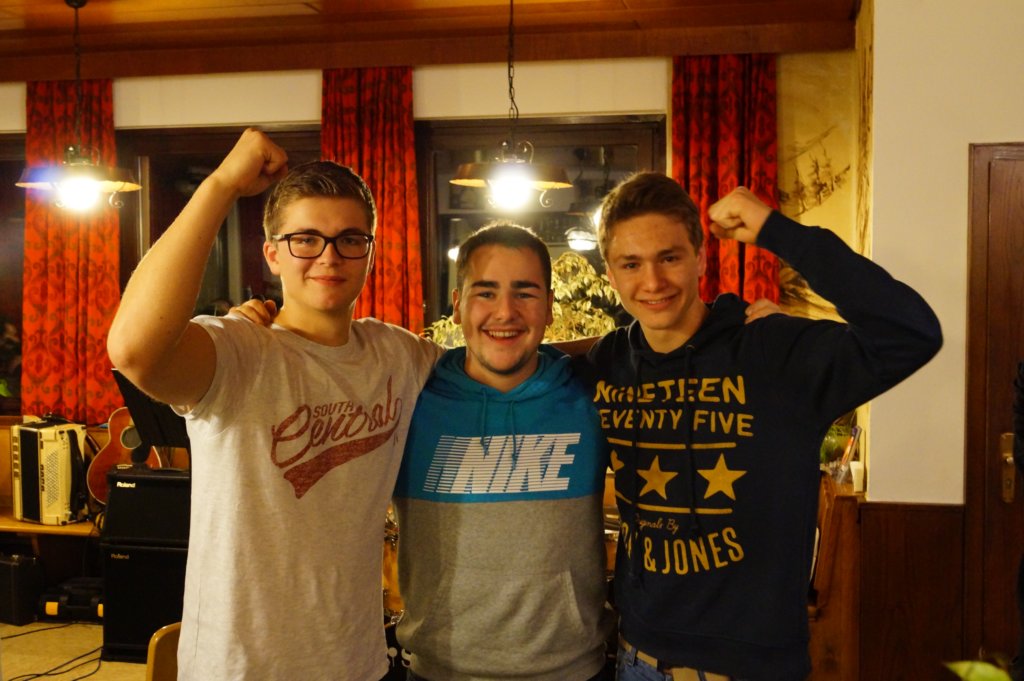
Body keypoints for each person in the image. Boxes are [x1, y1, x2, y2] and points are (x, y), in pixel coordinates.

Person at [106, 128, 444, 680]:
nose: (328, 257)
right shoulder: (240, 350)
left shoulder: (399, 355)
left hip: (356, 664)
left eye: (349, 239)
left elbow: (498, 367)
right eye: (305, 239)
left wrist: (602, 351)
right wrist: (221, 185)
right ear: (272, 254)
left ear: (370, 253)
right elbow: (133, 351)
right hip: (239, 668)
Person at [576, 173, 943, 681]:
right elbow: (523, 361)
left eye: (670, 257)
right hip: (638, 656)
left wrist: (778, 231)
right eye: (631, 264)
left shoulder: (771, 349)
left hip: (749, 668)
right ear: (611, 275)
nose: (653, 282)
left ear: (701, 257)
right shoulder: (607, 362)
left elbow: (912, 333)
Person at [391, 222, 614, 681]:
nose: (505, 312)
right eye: (486, 292)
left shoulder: (592, 394)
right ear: (457, 306)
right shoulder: (408, 398)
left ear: (549, 308)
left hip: (573, 670)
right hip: (438, 672)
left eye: (525, 293)